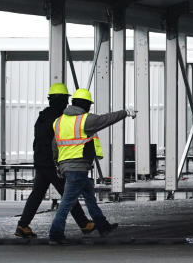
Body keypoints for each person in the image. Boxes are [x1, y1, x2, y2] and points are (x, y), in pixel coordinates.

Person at [48, 87, 136, 244]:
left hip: (67, 167)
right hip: (77, 168)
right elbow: (106, 119)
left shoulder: (58, 122)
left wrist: (57, 166)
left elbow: (55, 146)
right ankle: (55, 234)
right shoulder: (84, 120)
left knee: (89, 197)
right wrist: (125, 112)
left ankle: (103, 226)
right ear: (85, 104)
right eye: (89, 105)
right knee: (67, 202)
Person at [15, 83, 95, 239]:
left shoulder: (43, 116)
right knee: (68, 194)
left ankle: (23, 225)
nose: (67, 102)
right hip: (51, 163)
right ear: (60, 100)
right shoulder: (59, 118)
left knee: (37, 194)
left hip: (40, 161)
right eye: (65, 99)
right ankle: (84, 224)